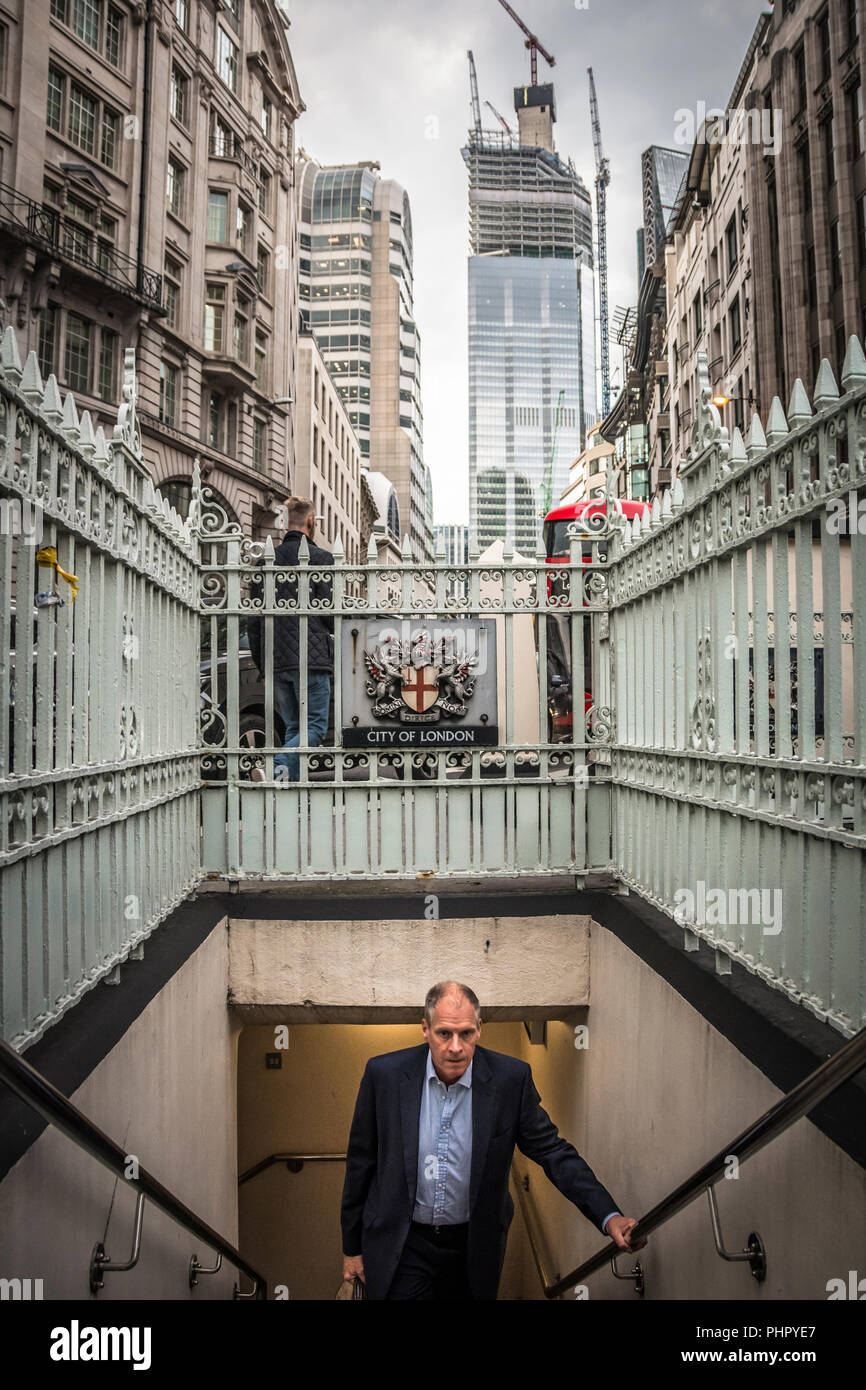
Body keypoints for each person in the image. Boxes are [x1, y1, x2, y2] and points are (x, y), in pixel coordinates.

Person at [340, 980, 646, 1300]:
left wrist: (609, 1216)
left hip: (473, 1245)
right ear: (425, 1029)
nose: (456, 1046)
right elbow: (361, 1161)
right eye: (444, 1033)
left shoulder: (510, 1080)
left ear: (479, 1029)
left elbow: (553, 1152)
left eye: (466, 1033)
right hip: (403, 1243)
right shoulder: (384, 1075)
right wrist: (351, 1248)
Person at [247, 497, 333, 783]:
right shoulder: (321, 558)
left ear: (284, 522)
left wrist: (262, 665)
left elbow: (255, 620)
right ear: (311, 522)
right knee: (316, 727)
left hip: (276, 660)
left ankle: (288, 790)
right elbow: (330, 613)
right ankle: (276, 769)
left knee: (295, 726)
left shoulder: (266, 562)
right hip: (312, 660)